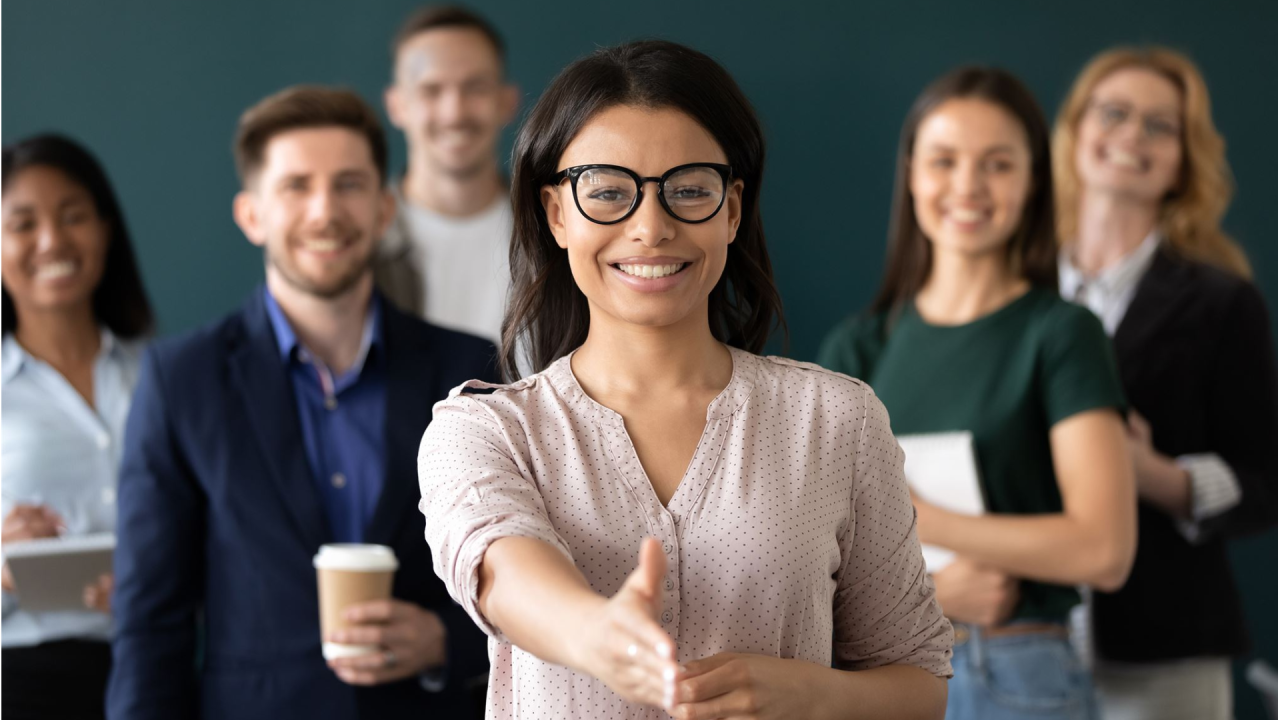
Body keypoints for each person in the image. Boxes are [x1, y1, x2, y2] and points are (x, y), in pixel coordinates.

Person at [418, 40, 954, 720]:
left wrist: (814, 694)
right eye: (608, 192)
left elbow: (920, 684)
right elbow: (499, 566)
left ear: (731, 210)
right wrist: (595, 634)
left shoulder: (837, 420)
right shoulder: (485, 430)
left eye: (689, 191)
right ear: (556, 213)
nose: (651, 227)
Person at [106, 86, 497, 720]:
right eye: (295, 187)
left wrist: (446, 644)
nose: (324, 211)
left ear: (384, 208)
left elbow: (518, 577)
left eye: (348, 184)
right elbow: (151, 621)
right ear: (251, 213)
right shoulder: (181, 380)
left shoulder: (470, 368)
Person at [818, 67, 1136, 720]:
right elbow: (815, 554)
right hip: (879, 677)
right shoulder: (858, 349)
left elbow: (1104, 549)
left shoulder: (1061, 334)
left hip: (1016, 673)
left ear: (1032, 183)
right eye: (944, 161)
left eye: (997, 164)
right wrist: (933, 590)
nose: (968, 186)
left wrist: (925, 520)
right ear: (911, 175)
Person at [1053, 46, 1278, 720]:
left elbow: (1266, 484)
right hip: (1018, 641)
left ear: (1185, 158)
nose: (1131, 136)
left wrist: (1154, 474)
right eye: (1114, 113)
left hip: (1165, 649)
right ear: (1075, 131)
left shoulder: (1222, 301)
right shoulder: (1012, 287)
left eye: (1160, 125)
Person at [1, 134, 154, 720]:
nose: (52, 241)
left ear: (106, 230)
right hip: (21, 677)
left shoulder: (162, 374)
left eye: (73, 216)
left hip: (153, 664)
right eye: (22, 224)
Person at [375, 5, 519, 345]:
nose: (454, 112)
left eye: (475, 88)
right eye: (431, 90)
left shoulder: (557, 232)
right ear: (397, 106)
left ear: (507, 102)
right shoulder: (361, 241)